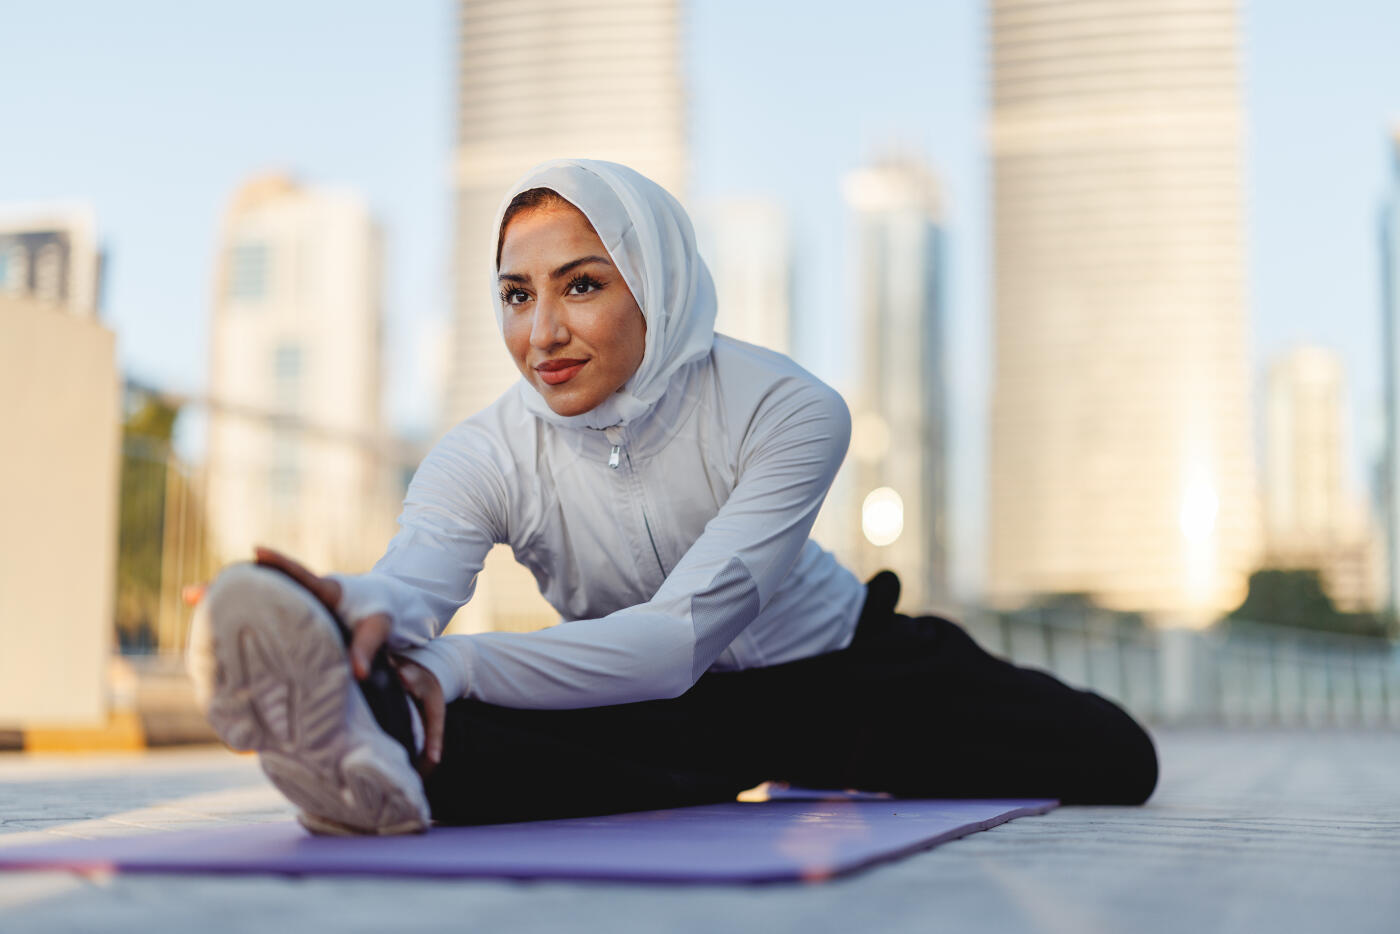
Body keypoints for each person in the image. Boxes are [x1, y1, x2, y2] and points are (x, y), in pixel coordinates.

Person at [188, 159, 1159, 835]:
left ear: (652, 279)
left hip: (842, 672)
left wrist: (457, 661)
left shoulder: (787, 408)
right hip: (680, 709)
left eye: (580, 285)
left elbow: (672, 636)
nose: (542, 334)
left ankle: (389, 725)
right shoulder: (485, 449)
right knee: (556, 751)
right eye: (516, 295)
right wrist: (357, 610)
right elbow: (417, 581)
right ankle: (370, 738)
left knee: (1111, 759)